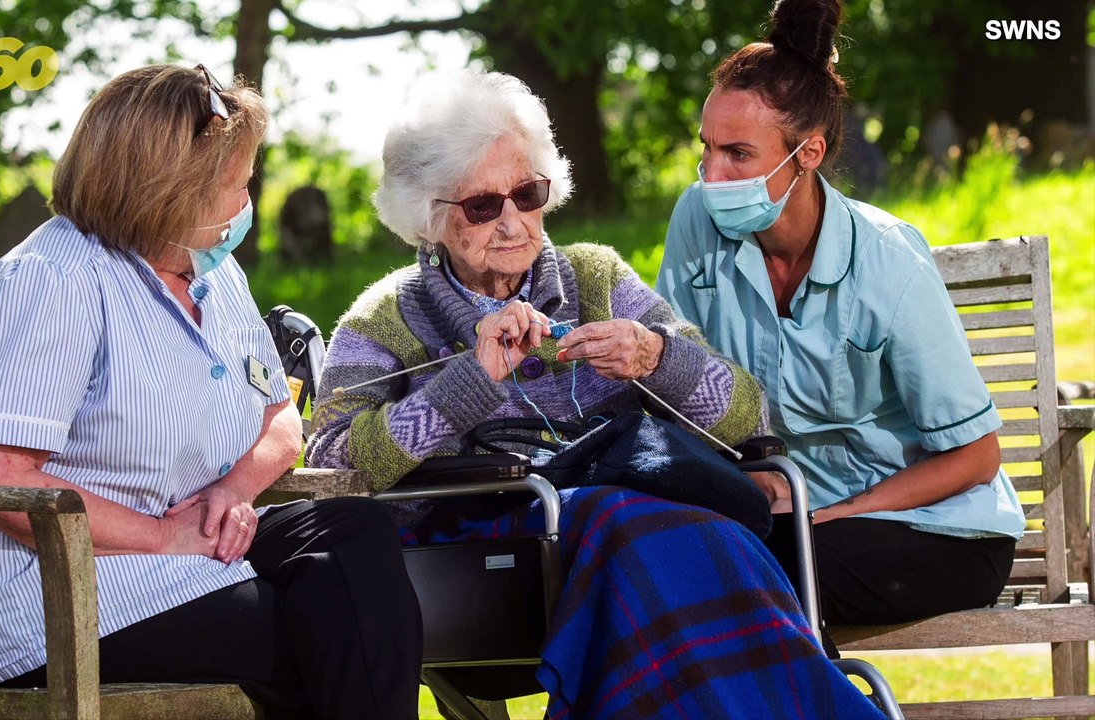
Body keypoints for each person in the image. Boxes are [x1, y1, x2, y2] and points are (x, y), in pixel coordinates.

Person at [307, 69, 885, 719]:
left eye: (526, 193)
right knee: (628, 525)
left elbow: (748, 414)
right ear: (427, 215)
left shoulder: (596, 277)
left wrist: (656, 358)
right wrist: (470, 382)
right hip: (485, 555)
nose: (512, 222)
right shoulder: (388, 316)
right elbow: (330, 467)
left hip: (624, 528)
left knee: (687, 528)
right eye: (481, 206)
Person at [0, 64, 422, 720]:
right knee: (322, 629)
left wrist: (231, 493)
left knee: (349, 540)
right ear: (171, 191)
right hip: (43, 594)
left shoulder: (211, 272)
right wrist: (162, 538)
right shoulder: (53, 280)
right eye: (237, 186)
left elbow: (280, 420)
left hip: (190, 552)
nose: (247, 203)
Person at [655, 0, 1025, 652]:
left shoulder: (889, 262)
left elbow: (976, 456)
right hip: (788, 518)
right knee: (665, 554)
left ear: (809, 152)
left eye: (738, 154)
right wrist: (747, 466)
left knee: (759, 569)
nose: (712, 176)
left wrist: (830, 514)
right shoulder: (697, 218)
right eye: (706, 148)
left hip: (933, 529)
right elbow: (678, 377)